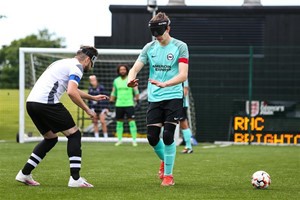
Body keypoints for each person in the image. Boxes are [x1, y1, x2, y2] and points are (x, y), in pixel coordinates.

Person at [15, 46, 108, 187]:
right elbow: (71, 92)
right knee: (74, 135)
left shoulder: (62, 63)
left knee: (50, 139)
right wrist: (87, 109)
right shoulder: (77, 67)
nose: (91, 67)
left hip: (32, 103)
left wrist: (92, 97)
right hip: (47, 103)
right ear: (88, 59)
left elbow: (72, 89)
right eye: (91, 64)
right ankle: (75, 179)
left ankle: (24, 173)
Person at [127, 12, 189, 186]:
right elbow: (134, 68)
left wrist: (166, 84)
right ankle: (165, 160)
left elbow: (183, 75)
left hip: (173, 96)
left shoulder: (180, 46)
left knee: (168, 136)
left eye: (160, 33)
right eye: (155, 33)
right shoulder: (149, 48)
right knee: (152, 137)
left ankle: (168, 176)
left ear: (168, 28)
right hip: (155, 98)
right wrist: (131, 80)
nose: (158, 37)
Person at [110, 64, 140, 147]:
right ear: (118, 71)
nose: (122, 71)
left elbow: (136, 91)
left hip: (129, 104)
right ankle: (119, 140)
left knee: (132, 123)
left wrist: (138, 101)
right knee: (119, 123)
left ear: (126, 70)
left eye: (124, 69)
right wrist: (111, 101)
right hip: (119, 104)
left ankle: (134, 141)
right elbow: (114, 92)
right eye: (121, 70)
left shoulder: (130, 80)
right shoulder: (116, 81)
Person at [180, 80, 193, 154]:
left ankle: (188, 147)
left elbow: (185, 90)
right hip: (170, 104)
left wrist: (176, 100)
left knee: (184, 124)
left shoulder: (183, 74)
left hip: (180, 104)